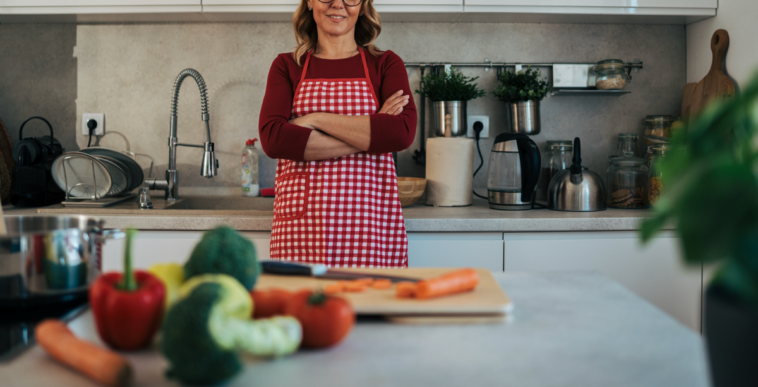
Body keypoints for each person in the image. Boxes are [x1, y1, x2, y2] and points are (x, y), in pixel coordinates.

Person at [259, 0, 417, 268]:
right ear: (310, 2)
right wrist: (373, 132)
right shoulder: (287, 66)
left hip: (369, 227)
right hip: (303, 230)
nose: (338, 4)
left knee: (368, 307)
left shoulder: (386, 64)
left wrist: (314, 119)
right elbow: (274, 139)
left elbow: (401, 133)